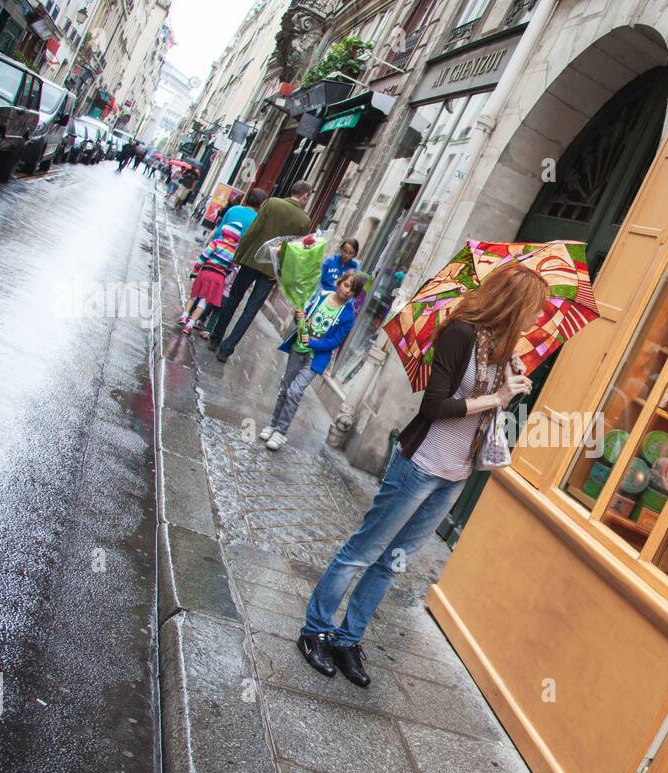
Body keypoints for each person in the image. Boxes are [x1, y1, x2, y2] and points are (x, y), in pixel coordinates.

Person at [296, 263, 544, 686]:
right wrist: (495, 397)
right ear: (513, 304)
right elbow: (435, 407)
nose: (537, 319)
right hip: (421, 464)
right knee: (365, 549)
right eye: (534, 310)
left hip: (456, 473)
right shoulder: (460, 334)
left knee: (393, 562)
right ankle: (314, 629)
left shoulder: (503, 351)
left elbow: (486, 412)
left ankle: (347, 637)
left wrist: (512, 383)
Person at [259, 270, 366, 451]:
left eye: (352, 290)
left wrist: (314, 343)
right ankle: (272, 425)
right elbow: (302, 315)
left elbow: (335, 341)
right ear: (340, 282)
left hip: (315, 358)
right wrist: (298, 315)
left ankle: (280, 432)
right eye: (346, 285)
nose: (347, 291)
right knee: (285, 388)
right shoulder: (321, 295)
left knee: (295, 391)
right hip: (297, 349)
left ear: (355, 294)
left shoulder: (348, 315)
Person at [208, 181, 314, 363]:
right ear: (304, 196)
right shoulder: (304, 221)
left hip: (252, 260)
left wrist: (239, 254)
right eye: (308, 197)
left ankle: (216, 337)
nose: (307, 201)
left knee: (233, 299)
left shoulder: (272, 203)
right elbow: (296, 252)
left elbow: (254, 229)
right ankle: (227, 349)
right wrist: (281, 272)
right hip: (272, 270)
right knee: (251, 310)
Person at [178, 187, 266, 334]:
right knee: (219, 289)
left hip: (216, 252)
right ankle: (200, 320)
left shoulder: (233, 210)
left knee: (202, 286)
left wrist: (211, 245)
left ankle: (188, 315)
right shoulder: (257, 219)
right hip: (232, 259)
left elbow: (219, 230)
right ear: (261, 203)